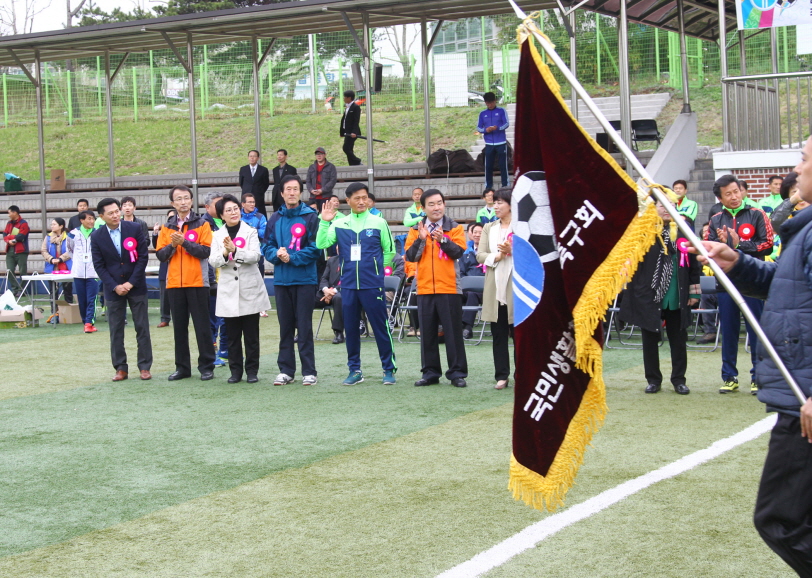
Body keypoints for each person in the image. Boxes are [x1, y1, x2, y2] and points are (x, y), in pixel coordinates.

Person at [691, 138, 812, 578]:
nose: (797, 170)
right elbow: (787, 284)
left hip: (805, 398)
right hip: (798, 395)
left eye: (804, 160)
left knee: (779, 519)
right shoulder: (805, 227)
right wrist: (737, 262)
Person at [317, 181, 397, 386]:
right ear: (348, 201)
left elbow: (390, 251)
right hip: (349, 286)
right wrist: (325, 222)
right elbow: (322, 244)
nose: (362, 202)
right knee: (351, 329)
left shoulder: (379, 222)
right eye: (357, 198)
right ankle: (355, 370)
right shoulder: (339, 223)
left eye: (364, 197)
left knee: (380, 327)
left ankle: (388, 369)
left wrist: (376, 270)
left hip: (373, 285)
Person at [620, 199, 701, 395]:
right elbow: (632, 265)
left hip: (677, 294)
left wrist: (693, 291)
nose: (666, 208)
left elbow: (694, 262)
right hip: (650, 295)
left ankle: (679, 380)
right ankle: (653, 380)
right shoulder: (643, 232)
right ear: (653, 208)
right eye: (662, 204)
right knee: (649, 339)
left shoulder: (683, 230)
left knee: (678, 339)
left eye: (670, 204)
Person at [706, 174, 773, 394]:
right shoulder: (715, 218)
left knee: (756, 330)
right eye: (728, 194)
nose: (734, 197)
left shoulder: (757, 214)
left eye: (736, 191)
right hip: (726, 283)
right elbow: (712, 249)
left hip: (753, 282)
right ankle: (729, 377)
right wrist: (725, 245)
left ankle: (758, 377)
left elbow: (768, 246)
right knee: (729, 330)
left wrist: (739, 245)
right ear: (720, 198)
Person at [405, 189, 468, 388]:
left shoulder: (454, 228)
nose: (436, 207)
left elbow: (458, 253)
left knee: (453, 333)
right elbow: (410, 257)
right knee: (428, 334)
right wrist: (421, 239)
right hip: (424, 288)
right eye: (431, 204)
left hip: (449, 287)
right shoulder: (416, 229)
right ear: (423, 208)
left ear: (444, 205)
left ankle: (457, 373)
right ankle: (430, 372)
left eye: (439, 203)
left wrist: (442, 240)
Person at [263, 175, 320, 386]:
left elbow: (316, 248)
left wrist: (292, 258)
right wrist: (276, 254)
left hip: (305, 280)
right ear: (282, 193)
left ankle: (309, 371)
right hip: (281, 281)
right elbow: (266, 246)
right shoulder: (275, 219)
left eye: (295, 189)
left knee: (304, 327)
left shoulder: (311, 217)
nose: (292, 192)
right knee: (285, 327)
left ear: (301, 192)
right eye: (288, 189)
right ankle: (286, 370)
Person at [209, 194, 271, 384]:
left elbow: (255, 256)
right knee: (233, 335)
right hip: (229, 291)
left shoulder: (250, 231)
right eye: (228, 210)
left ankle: (252, 371)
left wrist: (236, 250)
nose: (233, 212)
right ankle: (235, 372)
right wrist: (226, 251)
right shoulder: (217, 235)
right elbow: (214, 261)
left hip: (249, 289)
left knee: (251, 335)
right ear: (221, 215)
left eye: (235, 208)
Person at [156, 185, 216, 381]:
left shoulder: (202, 224)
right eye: (178, 199)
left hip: (198, 281)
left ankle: (207, 366)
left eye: (186, 198)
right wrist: (173, 245)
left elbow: (205, 252)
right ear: (172, 203)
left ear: (191, 200)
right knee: (179, 328)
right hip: (174, 283)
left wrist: (184, 242)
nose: (183, 202)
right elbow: (161, 255)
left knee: (202, 327)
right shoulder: (167, 227)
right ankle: (182, 368)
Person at [91, 198, 153, 382]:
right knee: (116, 329)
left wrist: (131, 283)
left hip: (136, 286)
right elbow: (99, 265)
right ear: (101, 216)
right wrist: (115, 286)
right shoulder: (96, 236)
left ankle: (144, 366)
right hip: (113, 289)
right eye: (110, 213)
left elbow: (142, 257)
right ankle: (120, 367)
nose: (116, 215)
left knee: (142, 327)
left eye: (117, 211)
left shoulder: (133, 229)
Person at [475, 188, 516, 389]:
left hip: (517, 287)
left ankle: (523, 373)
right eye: (495, 202)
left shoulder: (522, 227)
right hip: (495, 286)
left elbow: (533, 253)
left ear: (511, 204)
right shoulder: (489, 228)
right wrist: (497, 256)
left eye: (500, 202)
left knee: (520, 335)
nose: (496, 206)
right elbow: (480, 255)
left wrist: (513, 250)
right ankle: (502, 375)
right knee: (498, 334)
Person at [202, 192, 228, 365]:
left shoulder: (228, 222)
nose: (221, 208)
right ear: (207, 207)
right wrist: (211, 280)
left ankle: (226, 350)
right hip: (211, 280)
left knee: (228, 318)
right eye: (217, 204)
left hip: (228, 278)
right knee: (211, 319)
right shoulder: (202, 224)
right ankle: (211, 354)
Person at [68, 211, 99, 333]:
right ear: (81, 220)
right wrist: (78, 260)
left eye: (93, 219)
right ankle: (85, 321)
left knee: (92, 298)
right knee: (82, 299)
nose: (91, 221)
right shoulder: (73, 234)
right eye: (89, 219)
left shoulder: (97, 233)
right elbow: (69, 250)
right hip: (78, 271)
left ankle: (88, 323)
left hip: (93, 271)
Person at [477, 92, 510, 190]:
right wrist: (485, 130)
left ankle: (505, 185)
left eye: (491, 102)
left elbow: (506, 123)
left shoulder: (501, 111)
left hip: (501, 142)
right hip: (489, 143)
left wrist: (498, 128)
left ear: (495, 101)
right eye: (487, 103)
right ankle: (488, 186)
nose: (490, 105)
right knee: (488, 166)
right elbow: (479, 127)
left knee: (503, 165)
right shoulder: (482, 114)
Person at [460, 222, 485, 339]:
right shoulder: (466, 253)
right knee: (450, 294)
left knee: (472, 294)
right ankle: (447, 327)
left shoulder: (490, 252)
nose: (477, 235)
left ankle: (467, 327)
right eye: (475, 232)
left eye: (480, 233)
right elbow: (461, 272)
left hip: (485, 291)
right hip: (465, 289)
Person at [152, 209, 176, 328]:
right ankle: (165, 318)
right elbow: (158, 247)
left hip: (179, 267)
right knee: (164, 295)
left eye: (173, 217)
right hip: (165, 266)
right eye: (169, 218)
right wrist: (155, 234)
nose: (171, 220)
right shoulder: (164, 230)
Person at [41, 218, 73, 303]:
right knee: (53, 292)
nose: (52, 226)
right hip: (52, 267)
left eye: (54, 224)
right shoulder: (48, 237)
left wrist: (60, 259)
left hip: (66, 267)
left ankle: (69, 312)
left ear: (61, 226)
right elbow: (44, 251)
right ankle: (54, 313)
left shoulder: (69, 236)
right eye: (51, 224)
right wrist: (51, 259)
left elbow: (71, 250)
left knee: (68, 291)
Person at [316, 252, 345, 344]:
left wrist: (334, 291)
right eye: (337, 245)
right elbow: (324, 278)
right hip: (327, 291)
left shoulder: (354, 260)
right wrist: (326, 290)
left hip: (343, 291)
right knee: (307, 299)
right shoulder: (331, 260)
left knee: (338, 298)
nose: (338, 247)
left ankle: (339, 333)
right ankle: (301, 332)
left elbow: (351, 280)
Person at [3, 205, 29, 298]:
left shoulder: (23, 223)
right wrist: (9, 240)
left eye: (9, 213)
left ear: (15, 213)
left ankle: (22, 290)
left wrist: (10, 237)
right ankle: (17, 289)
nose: (8, 215)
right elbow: (4, 234)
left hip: (21, 251)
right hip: (10, 250)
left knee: (23, 272)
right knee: (9, 271)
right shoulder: (9, 223)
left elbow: (21, 236)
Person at [239, 150, 271, 217]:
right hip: (246, 196)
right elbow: (241, 183)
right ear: (248, 157)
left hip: (258, 197)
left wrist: (259, 191)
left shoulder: (263, 170)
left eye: (254, 156)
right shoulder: (243, 169)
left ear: (258, 158)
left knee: (259, 216)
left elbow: (266, 184)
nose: (252, 158)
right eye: (250, 156)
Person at [340, 90, 362, 166]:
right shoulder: (347, 107)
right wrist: (342, 132)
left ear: (349, 98)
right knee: (349, 149)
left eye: (345, 97)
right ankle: (352, 165)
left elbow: (356, 121)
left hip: (352, 132)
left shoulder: (356, 107)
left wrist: (354, 132)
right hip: (347, 132)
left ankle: (357, 161)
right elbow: (344, 119)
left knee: (346, 148)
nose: (344, 98)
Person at [271, 149, 297, 213]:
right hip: (276, 195)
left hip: (286, 194)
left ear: (285, 156)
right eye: (278, 155)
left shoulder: (291, 169)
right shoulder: (275, 170)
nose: (279, 157)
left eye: (281, 155)